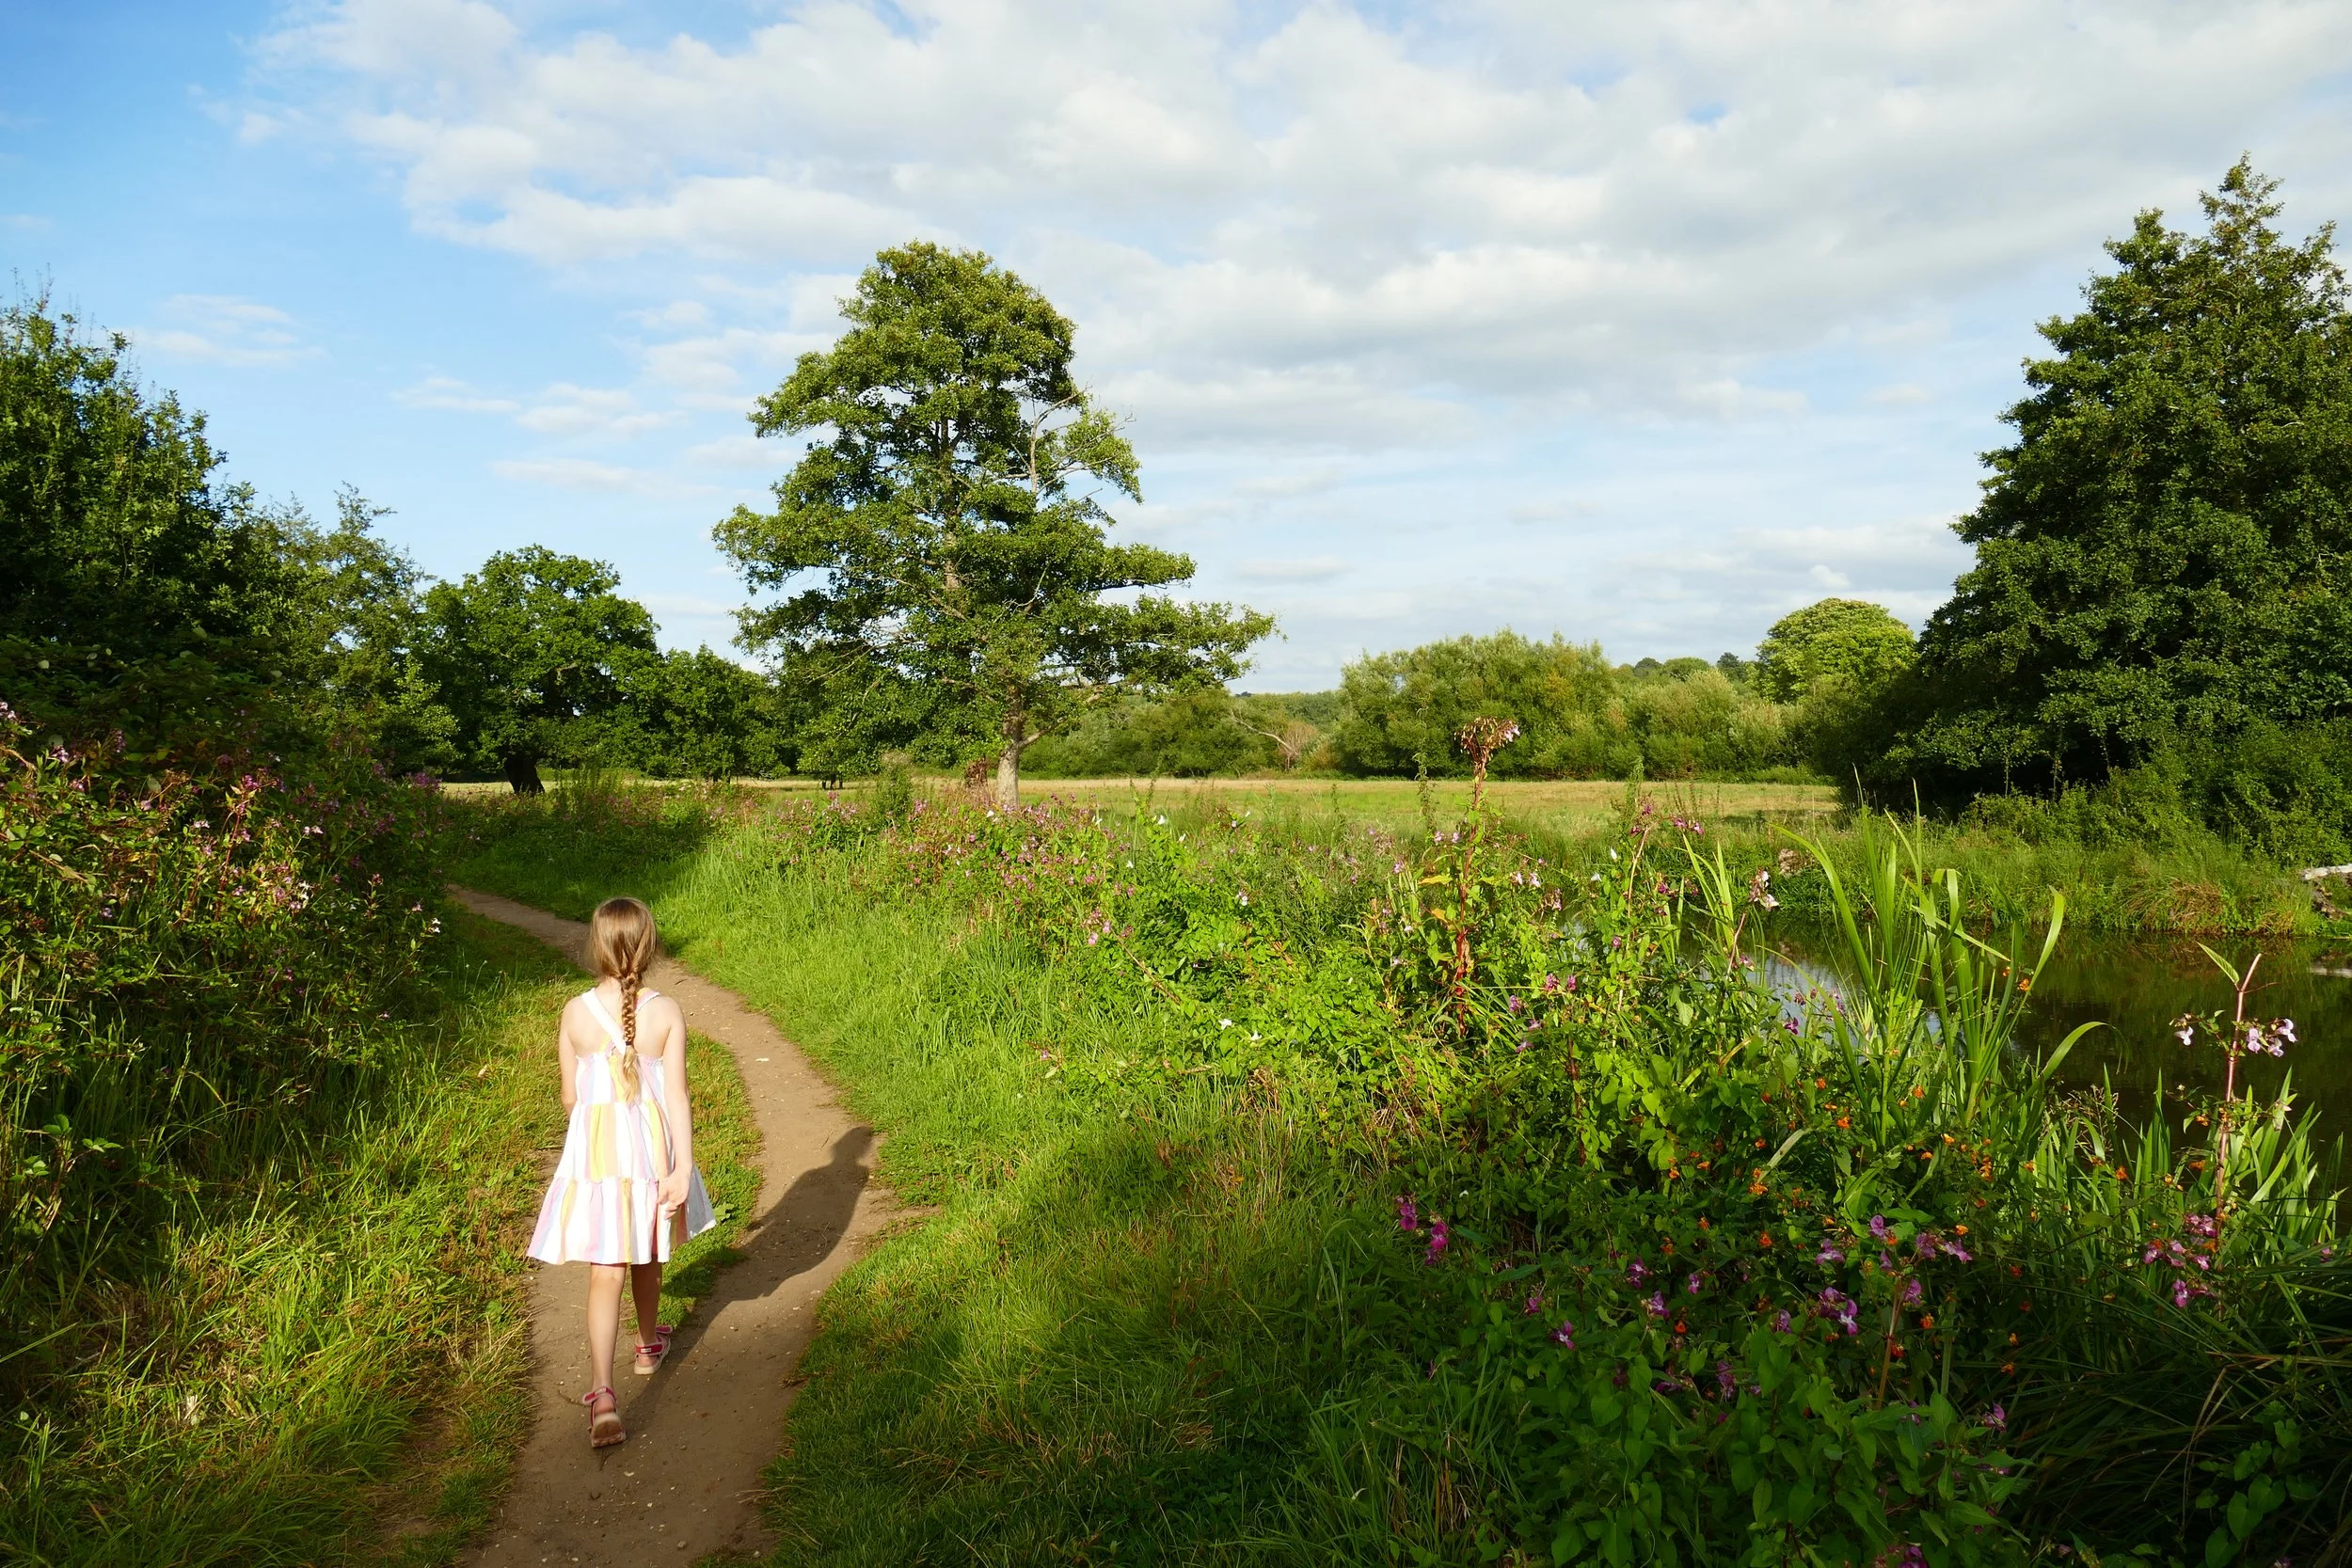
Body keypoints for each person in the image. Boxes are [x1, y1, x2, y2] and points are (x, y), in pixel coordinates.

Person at [526, 896, 716, 1448]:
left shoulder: (574, 1012)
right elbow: (677, 1097)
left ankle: (602, 1394)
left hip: (599, 1159)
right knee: (649, 1249)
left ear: (597, 947)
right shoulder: (667, 1011)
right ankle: (649, 1345)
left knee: (606, 1270)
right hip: (650, 1154)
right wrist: (681, 1168)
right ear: (650, 945)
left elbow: (569, 1098)